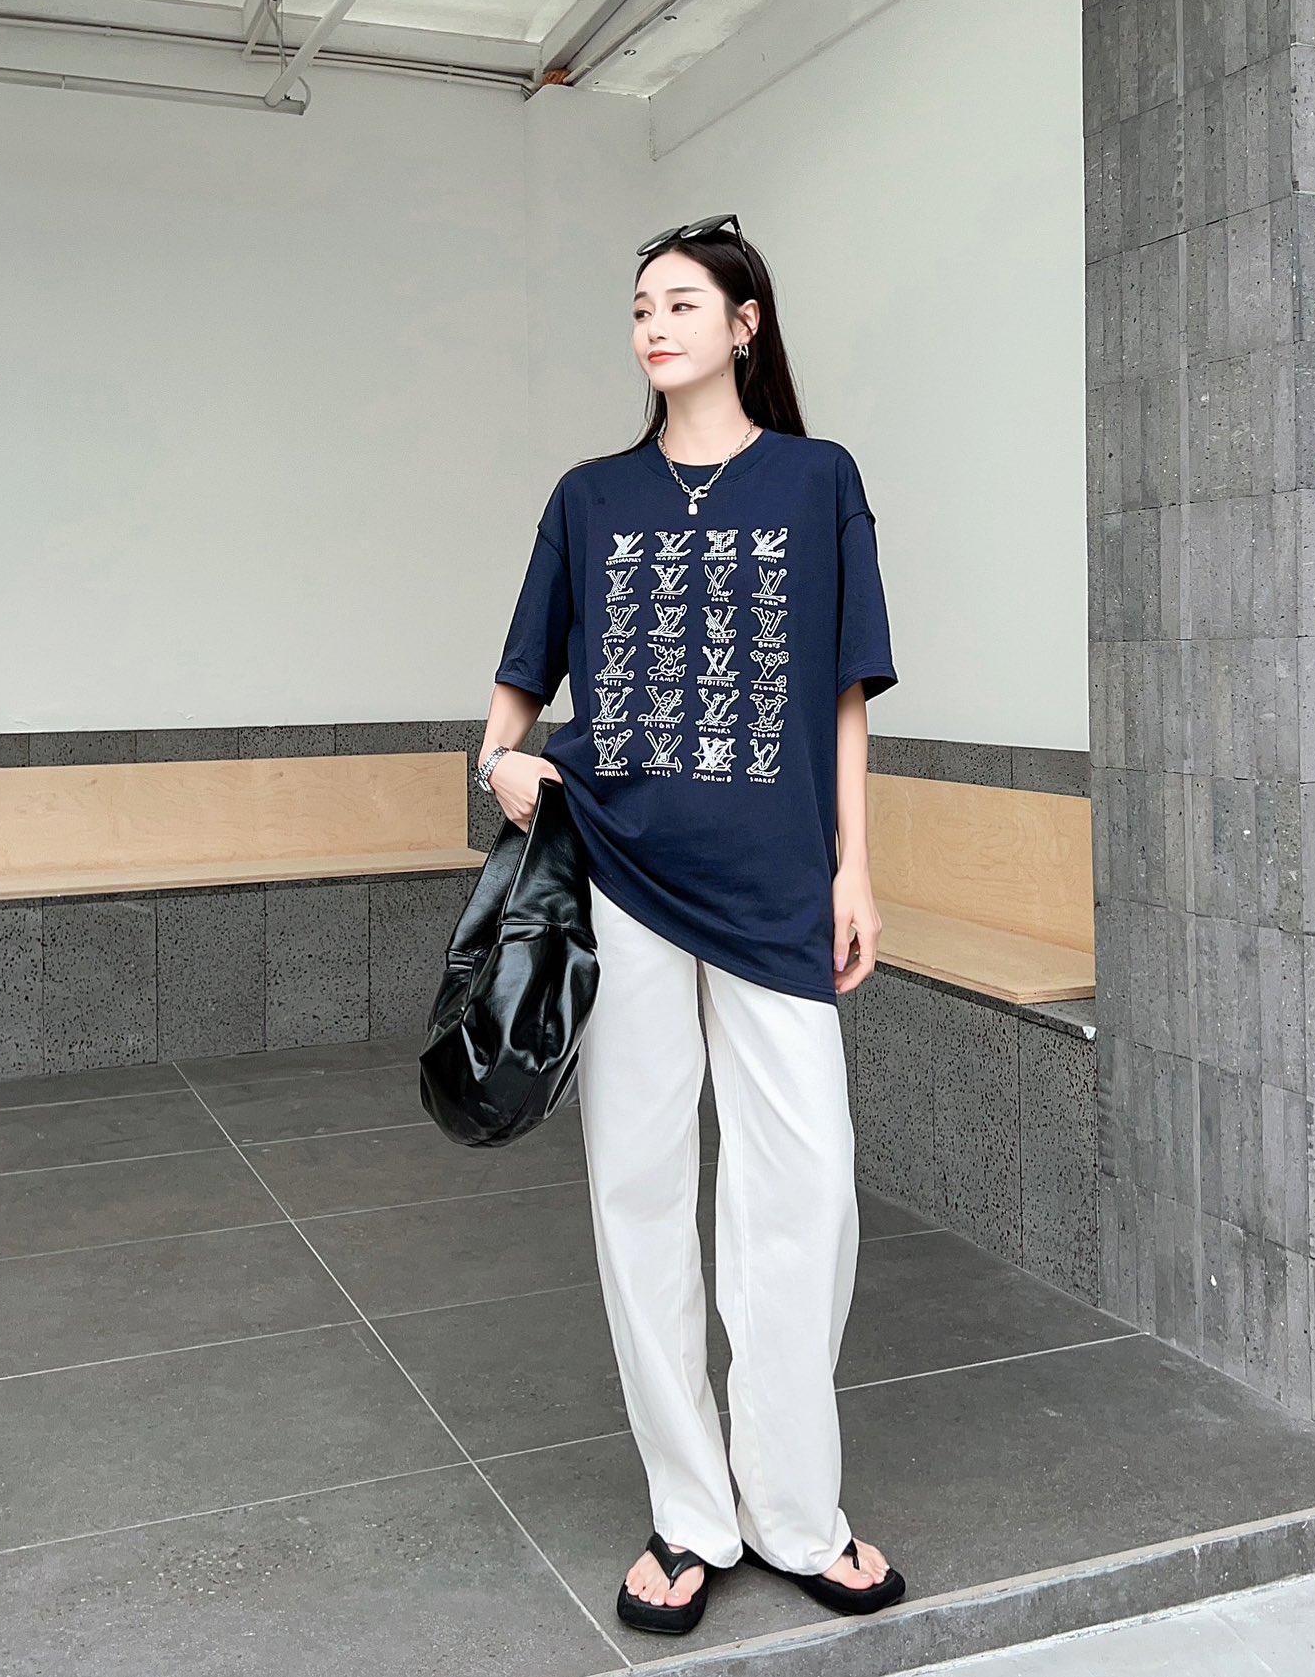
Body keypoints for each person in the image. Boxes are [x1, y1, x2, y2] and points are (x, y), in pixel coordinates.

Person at [476, 213, 903, 1637]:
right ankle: (691, 1512)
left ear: (743, 323)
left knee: (807, 1192)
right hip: (622, 874)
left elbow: (842, 692)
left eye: (679, 303)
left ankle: (796, 1508)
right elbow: (519, 686)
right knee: (642, 1192)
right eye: (640, 307)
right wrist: (502, 764)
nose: (654, 326)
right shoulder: (591, 496)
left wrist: (853, 869)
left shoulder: (818, 481)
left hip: (778, 888)